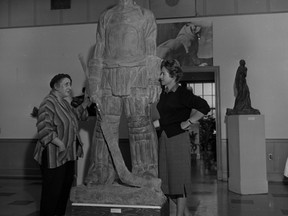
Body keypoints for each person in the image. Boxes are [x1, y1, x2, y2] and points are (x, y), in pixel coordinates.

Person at [84, 0, 161, 187]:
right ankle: (102, 171)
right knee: (104, 128)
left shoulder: (146, 16)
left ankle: (145, 172)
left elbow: (151, 51)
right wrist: (94, 84)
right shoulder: (106, 16)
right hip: (108, 76)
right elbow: (99, 52)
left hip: (138, 75)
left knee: (140, 126)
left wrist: (152, 81)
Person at [153, 59, 210, 216]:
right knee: (166, 184)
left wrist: (188, 122)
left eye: (163, 73)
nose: (160, 76)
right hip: (163, 139)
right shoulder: (164, 94)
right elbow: (167, 117)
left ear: (173, 75)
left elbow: (204, 107)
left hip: (178, 140)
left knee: (179, 184)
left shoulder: (183, 93)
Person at [33, 74, 91, 216]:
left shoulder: (64, 103)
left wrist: (85, 104)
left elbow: (75, 116)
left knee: (63, 193)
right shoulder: (48, 103)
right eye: (66, 84)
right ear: (56, 86)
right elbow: (44, 129)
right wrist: (60, 144)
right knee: (52, 194)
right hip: (54, 156)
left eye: (70, 84)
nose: (70, 88)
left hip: (68, 156)